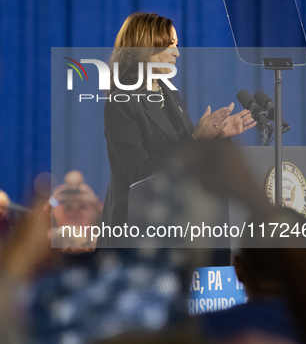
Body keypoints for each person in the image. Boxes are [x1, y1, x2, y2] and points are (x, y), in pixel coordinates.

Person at [99, 12, 257, 246]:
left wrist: (218, 136)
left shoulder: (169, 93)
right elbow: (141, 175)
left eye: (177, 45)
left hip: (176, 225)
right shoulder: (121, 103)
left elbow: (186, 157)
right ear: (145, 47)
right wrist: (196, 137)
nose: (177, 52)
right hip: (135, 232)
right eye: (170, 45)